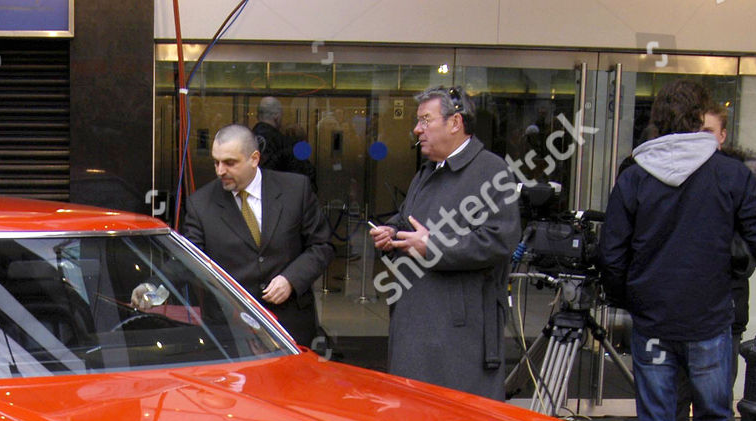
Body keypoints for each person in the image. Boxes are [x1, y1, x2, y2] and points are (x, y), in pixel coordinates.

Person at [598, 80, 756, 421]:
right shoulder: (730, 174)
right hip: (710, 319)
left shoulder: (634, 175)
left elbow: (611, 254)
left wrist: (631, 297)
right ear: (700, 118)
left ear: (657, 120)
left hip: (653, 321)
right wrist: (727, 262)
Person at [370, 86, 519, 398]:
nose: (417, 129)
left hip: (457, 337)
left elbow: (498, 240)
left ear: (455, 123)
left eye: (426, 120)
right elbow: (409, 219)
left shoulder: (490, 170)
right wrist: (392, 233)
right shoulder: (426, 172)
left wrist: (433, 246)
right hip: (416, 322)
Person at [672, 104, 756, 421]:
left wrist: (724, 259)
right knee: (669, 415)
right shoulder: (673, 174)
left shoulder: (743, 180)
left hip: (723, 310)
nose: (703, 140)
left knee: (714, 413)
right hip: (671, 311)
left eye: (710, 132)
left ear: (722, 136)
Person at [180, 123, 333, 342]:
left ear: (254, 158)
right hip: (231, 330)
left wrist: (291, 279)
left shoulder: (295, 190)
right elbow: (188, 260)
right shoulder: (200, 204)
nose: (220, 171)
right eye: (216, 162)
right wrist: (153, 286)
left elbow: (322, 246)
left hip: (290, 324)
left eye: (229, 163)